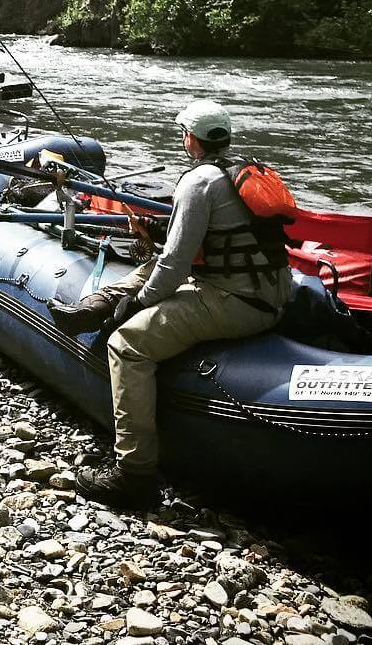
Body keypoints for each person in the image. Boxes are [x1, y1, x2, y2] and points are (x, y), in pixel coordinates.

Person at [49, 100, 293, 510]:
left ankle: (134, 475)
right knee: (151, 266)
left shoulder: (198, 182)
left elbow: (177, 266)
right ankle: (94, 307)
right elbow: (211, 244)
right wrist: (156, 237)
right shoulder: (247, 170)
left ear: (191, 139)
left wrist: (139, 304)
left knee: (127, 346)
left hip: (239, 301)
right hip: (267, 289)